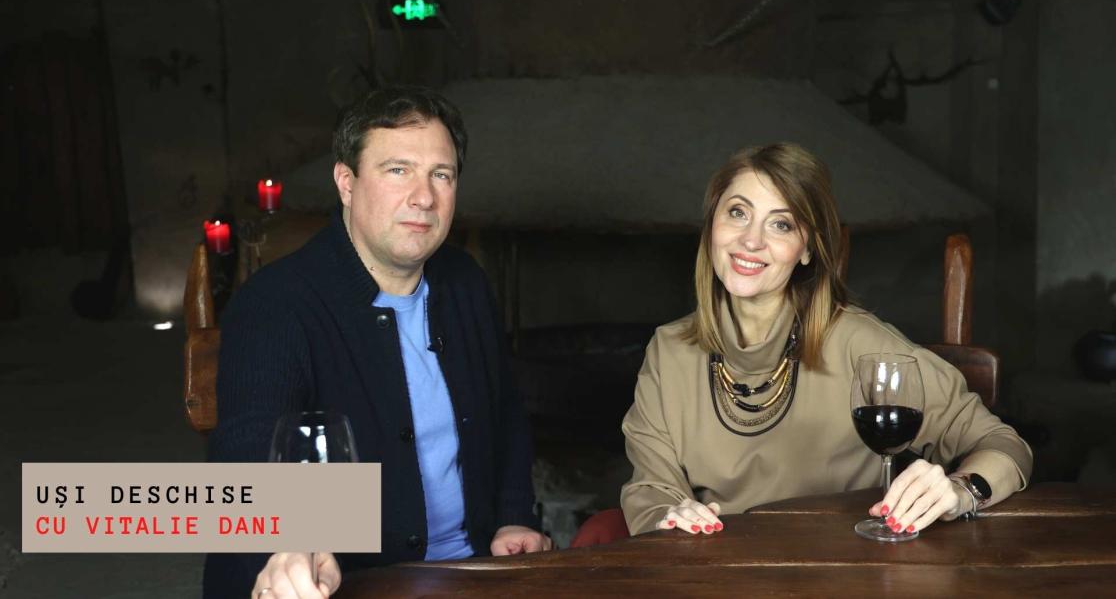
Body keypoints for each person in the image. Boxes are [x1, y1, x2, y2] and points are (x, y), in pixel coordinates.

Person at [203, 86, 551, 599]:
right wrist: (289, 547)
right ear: (346, 182)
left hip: (474, 568)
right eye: (398, 170)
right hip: (346, 581)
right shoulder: (276, 302)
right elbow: (249, 445)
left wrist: (514, 516)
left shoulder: (465, 282)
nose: (424, 197)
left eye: (441, 175)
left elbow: (506, 415)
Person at [621, 142, 1032, 538]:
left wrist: (963, 491)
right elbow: (652, 489)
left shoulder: (860, 344)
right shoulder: (669, 351)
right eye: (738, 213)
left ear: (806, 249)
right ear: (713, 224)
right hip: (716, 570)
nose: (751, 240)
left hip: (843, 569)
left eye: (781, 224)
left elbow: (1004, 445)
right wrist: (669, 517)